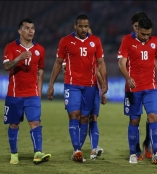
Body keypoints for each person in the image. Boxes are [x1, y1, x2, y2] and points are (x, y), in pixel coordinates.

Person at [47, 14, 107, 162]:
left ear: (89, 27)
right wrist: (51, 84)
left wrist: (104, 83)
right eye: (80, 26)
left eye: (86, 26)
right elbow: (57, 63)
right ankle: (77, 150)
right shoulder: (66, 41)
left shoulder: (95, 41)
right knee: (74, 115)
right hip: (72, 85)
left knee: (85, 117)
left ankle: (79, 150)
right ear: (75, 26)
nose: (83, 29)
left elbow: (101, 63)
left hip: (90, 86)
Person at [118, 16, 157, 164]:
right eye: (143, 34)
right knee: (135, 120)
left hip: (151, 88)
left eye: (149, 34)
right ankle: (133, 153)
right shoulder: (127, 41)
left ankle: (156, 152)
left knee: (154, 117)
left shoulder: (155, 42)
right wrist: (128, 78)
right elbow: (121, 63)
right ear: (137, 29)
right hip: (133, 89)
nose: (146, 37)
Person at [3, 18, 51, 164]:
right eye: (27, 28)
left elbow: (40, 70)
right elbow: (6, 66)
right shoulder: (10, 47)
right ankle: (14, 155)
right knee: (14, 125)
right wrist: (19, 58)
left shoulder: (40, 49)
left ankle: (38, 153)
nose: (31, 31)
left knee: (35, 122)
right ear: (19, 31)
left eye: (32, 28)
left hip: (32, 94)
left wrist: (39, 90)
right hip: (15, 95)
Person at [61, 28, 105, 160]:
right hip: (78, 86)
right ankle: (78, 149)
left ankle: (92, 149)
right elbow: (65, 66)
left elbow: (99, 70)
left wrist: (102, 90)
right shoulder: (72, 49)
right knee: (79, 116)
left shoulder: (95, 50)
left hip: (94, 89)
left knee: (92, 117)